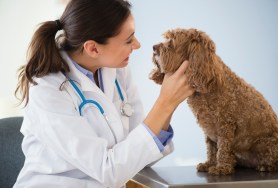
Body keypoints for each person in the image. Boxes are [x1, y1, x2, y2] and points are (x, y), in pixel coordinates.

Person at [14, 0, 195, 187]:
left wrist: (171, 101)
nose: (138, 45)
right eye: (128, 40)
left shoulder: (116, 69)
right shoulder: (46, 90)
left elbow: (142, 153)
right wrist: (165, 102)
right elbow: (108, 171)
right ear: (93, 48)